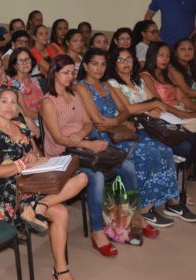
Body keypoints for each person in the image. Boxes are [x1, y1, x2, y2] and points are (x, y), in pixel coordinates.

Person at [41, 55, 152, 258]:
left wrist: (82, 136)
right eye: (65, 73)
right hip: (63, 155)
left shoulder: (74, 95)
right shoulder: (48, 101)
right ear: (54, 74)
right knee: (97, 177)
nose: (70, 77)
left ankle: (127, 225)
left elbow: (88, 123)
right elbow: (58, 138)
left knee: (126, 166)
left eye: (72, 73)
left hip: (82, 148)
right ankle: (98, 231)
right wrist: (87, 143)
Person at [76, 48, 195, 226]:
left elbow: (125, 110)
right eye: (94, 64)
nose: (99, 68)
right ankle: (143, 208)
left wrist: (117, 120)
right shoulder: (82, 87)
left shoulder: (107, 85)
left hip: (122, 131)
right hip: (104, 139)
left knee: (165, 150)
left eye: (102, 64)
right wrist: (120, 120)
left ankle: (163, 205)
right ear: (85, 65)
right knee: (150, 154)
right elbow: (98, 121)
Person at [0, 86, 87, 280]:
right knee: (61, 211)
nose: (10, 106)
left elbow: (37, 153)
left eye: (14, 102)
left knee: (82, 178)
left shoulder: (21, 126)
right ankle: (62, 272)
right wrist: (21, 163)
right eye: (4, 101)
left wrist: (34, 157)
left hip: (33, 182)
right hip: (9, 193)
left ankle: (42, 207)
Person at [107, 48, 196, 184]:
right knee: (180, 148)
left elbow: (157, 101)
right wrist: (151, 106)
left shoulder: (138, 81)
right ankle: (169, 186)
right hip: (137, 127)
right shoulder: (113, 83)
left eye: (129, 59)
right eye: (120, 60)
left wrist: (154, 107)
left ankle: (174, 184)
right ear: (114, 63)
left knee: (186, 143)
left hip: (155, 123)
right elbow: (129, 109)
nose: (125, 63)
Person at [6, 48, 43, 122]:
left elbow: (43, 103)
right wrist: (47, 116)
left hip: (43, 116)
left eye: (27, 59)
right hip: (29, 122)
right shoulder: (13, 85)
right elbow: (25, 113)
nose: (25, 63)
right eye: (20, 61)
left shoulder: (34, 80)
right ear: (15, 66)